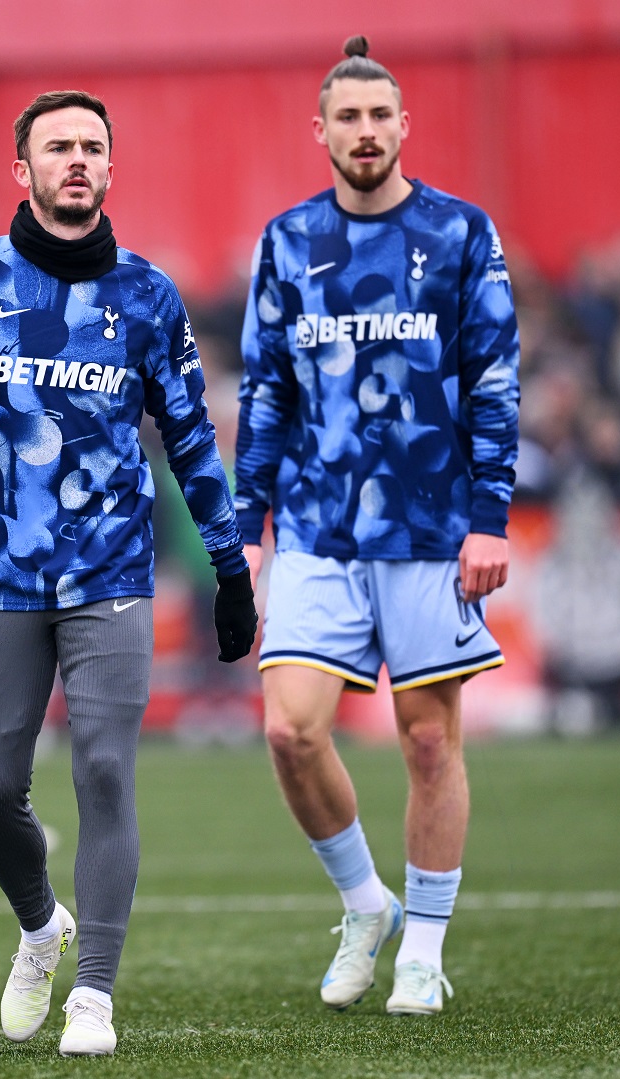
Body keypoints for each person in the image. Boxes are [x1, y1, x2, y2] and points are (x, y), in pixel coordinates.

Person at [0, 90, 257, 1057]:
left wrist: (228, 564)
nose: (78, 160)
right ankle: (44, 927)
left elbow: (189, 441)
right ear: (25, 170)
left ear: (109, 167)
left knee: (101, 766)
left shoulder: (147, 295)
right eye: (59, 147)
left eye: (93, 146)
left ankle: (94, 993)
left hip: (113, 573)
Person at [235, 37, 519, 1017]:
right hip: (316, 528)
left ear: (404, 126)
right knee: (288, 729)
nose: (365, 132)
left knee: (428, 742)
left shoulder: (459, 232)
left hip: (433, 530)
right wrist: (248, 521)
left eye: (378, 116)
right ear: (319, 132)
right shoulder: (285, 240)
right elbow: (265, 387)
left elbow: (493, 379)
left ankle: (423, 949)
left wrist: (489, 519)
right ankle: (366, 902)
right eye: (346, 118)